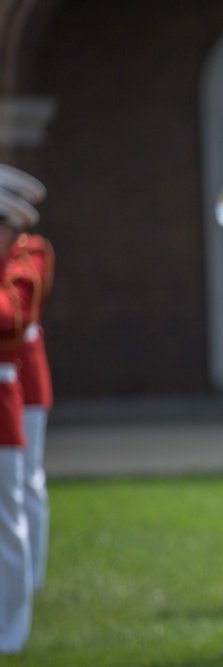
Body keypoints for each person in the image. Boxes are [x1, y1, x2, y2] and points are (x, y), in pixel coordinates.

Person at [0, 165, 51, 593]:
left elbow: (15, 313)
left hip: (22, 380)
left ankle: (29, 582)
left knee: (25, 482)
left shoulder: (30, 252)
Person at [0, 190, 42, 653]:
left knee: (8, 521)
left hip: (2, 404)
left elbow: (10, 316)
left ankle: (11, 633)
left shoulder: (24, 265)